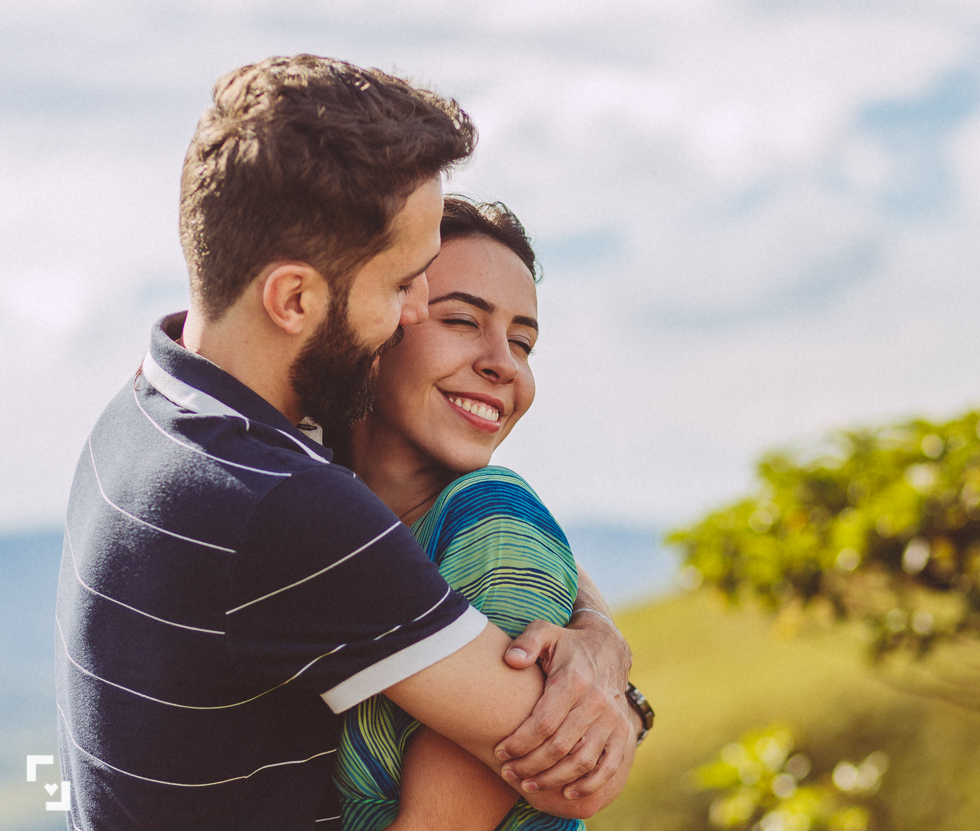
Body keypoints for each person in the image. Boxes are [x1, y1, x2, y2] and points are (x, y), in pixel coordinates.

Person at [55, 54, 637, 831]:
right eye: (403, 286)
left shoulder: (148, 410)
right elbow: (577, 772)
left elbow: (506, 541)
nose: (412, 311)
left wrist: (597, 632)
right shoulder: (289, 507)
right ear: (294, 298)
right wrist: (618, 687)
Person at [330, 196, 651, 831]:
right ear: (374, 321)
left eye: (523, 341)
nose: (504, 364)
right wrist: (602, 630)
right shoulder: (313, 492)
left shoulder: (494, 521)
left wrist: (607, 651)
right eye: (461, 321)